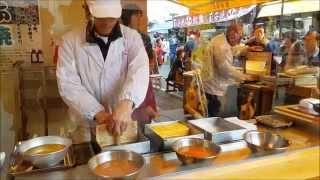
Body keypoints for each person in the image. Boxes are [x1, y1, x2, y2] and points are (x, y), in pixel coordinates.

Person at [56, 0, 149, 144]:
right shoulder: (70, 41)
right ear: (88, 11)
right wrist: (98, 113)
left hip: (122, 123)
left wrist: (127, 102)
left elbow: (140, 71)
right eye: (100, 17)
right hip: (84, 126)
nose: (106, 22)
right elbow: (68, 84)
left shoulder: (132, 37)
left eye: (111, 17)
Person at [120, 4, 157, 131]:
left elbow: (151, 60)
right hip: (123, 83)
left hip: (142, 81)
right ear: (130, 16)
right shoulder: (119, 36)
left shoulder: (144, 37)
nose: (141, 19)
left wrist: (146, 65)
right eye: (138, 15)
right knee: (127, 117)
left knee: (143, 120)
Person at [202, 23, 252, 117]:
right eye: (239, 36)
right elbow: (225, 69)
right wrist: (244, 77)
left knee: (212, 117)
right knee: (214, 119)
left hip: (212, 86)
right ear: (232, 34)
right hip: (214, 88)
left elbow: (230, 50)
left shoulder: (221, 40)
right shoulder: (221, 45)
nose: (239, 40)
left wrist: (244, 49)